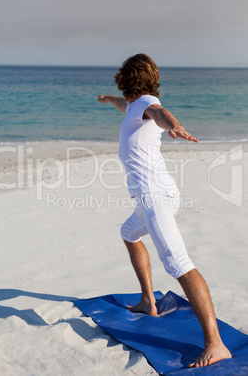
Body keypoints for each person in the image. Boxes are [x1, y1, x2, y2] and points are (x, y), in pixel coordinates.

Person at [98, 53, 232, 368]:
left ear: (130, 83)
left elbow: (159, 113)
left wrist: (176, 126)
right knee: (128, 234)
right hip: (149, 200)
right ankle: (148, 301)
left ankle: (216, 344)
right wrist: (107, 99)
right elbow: (125, 105)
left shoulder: (147, 103)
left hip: (156, 198)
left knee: (179, 263)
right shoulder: (132, 106)